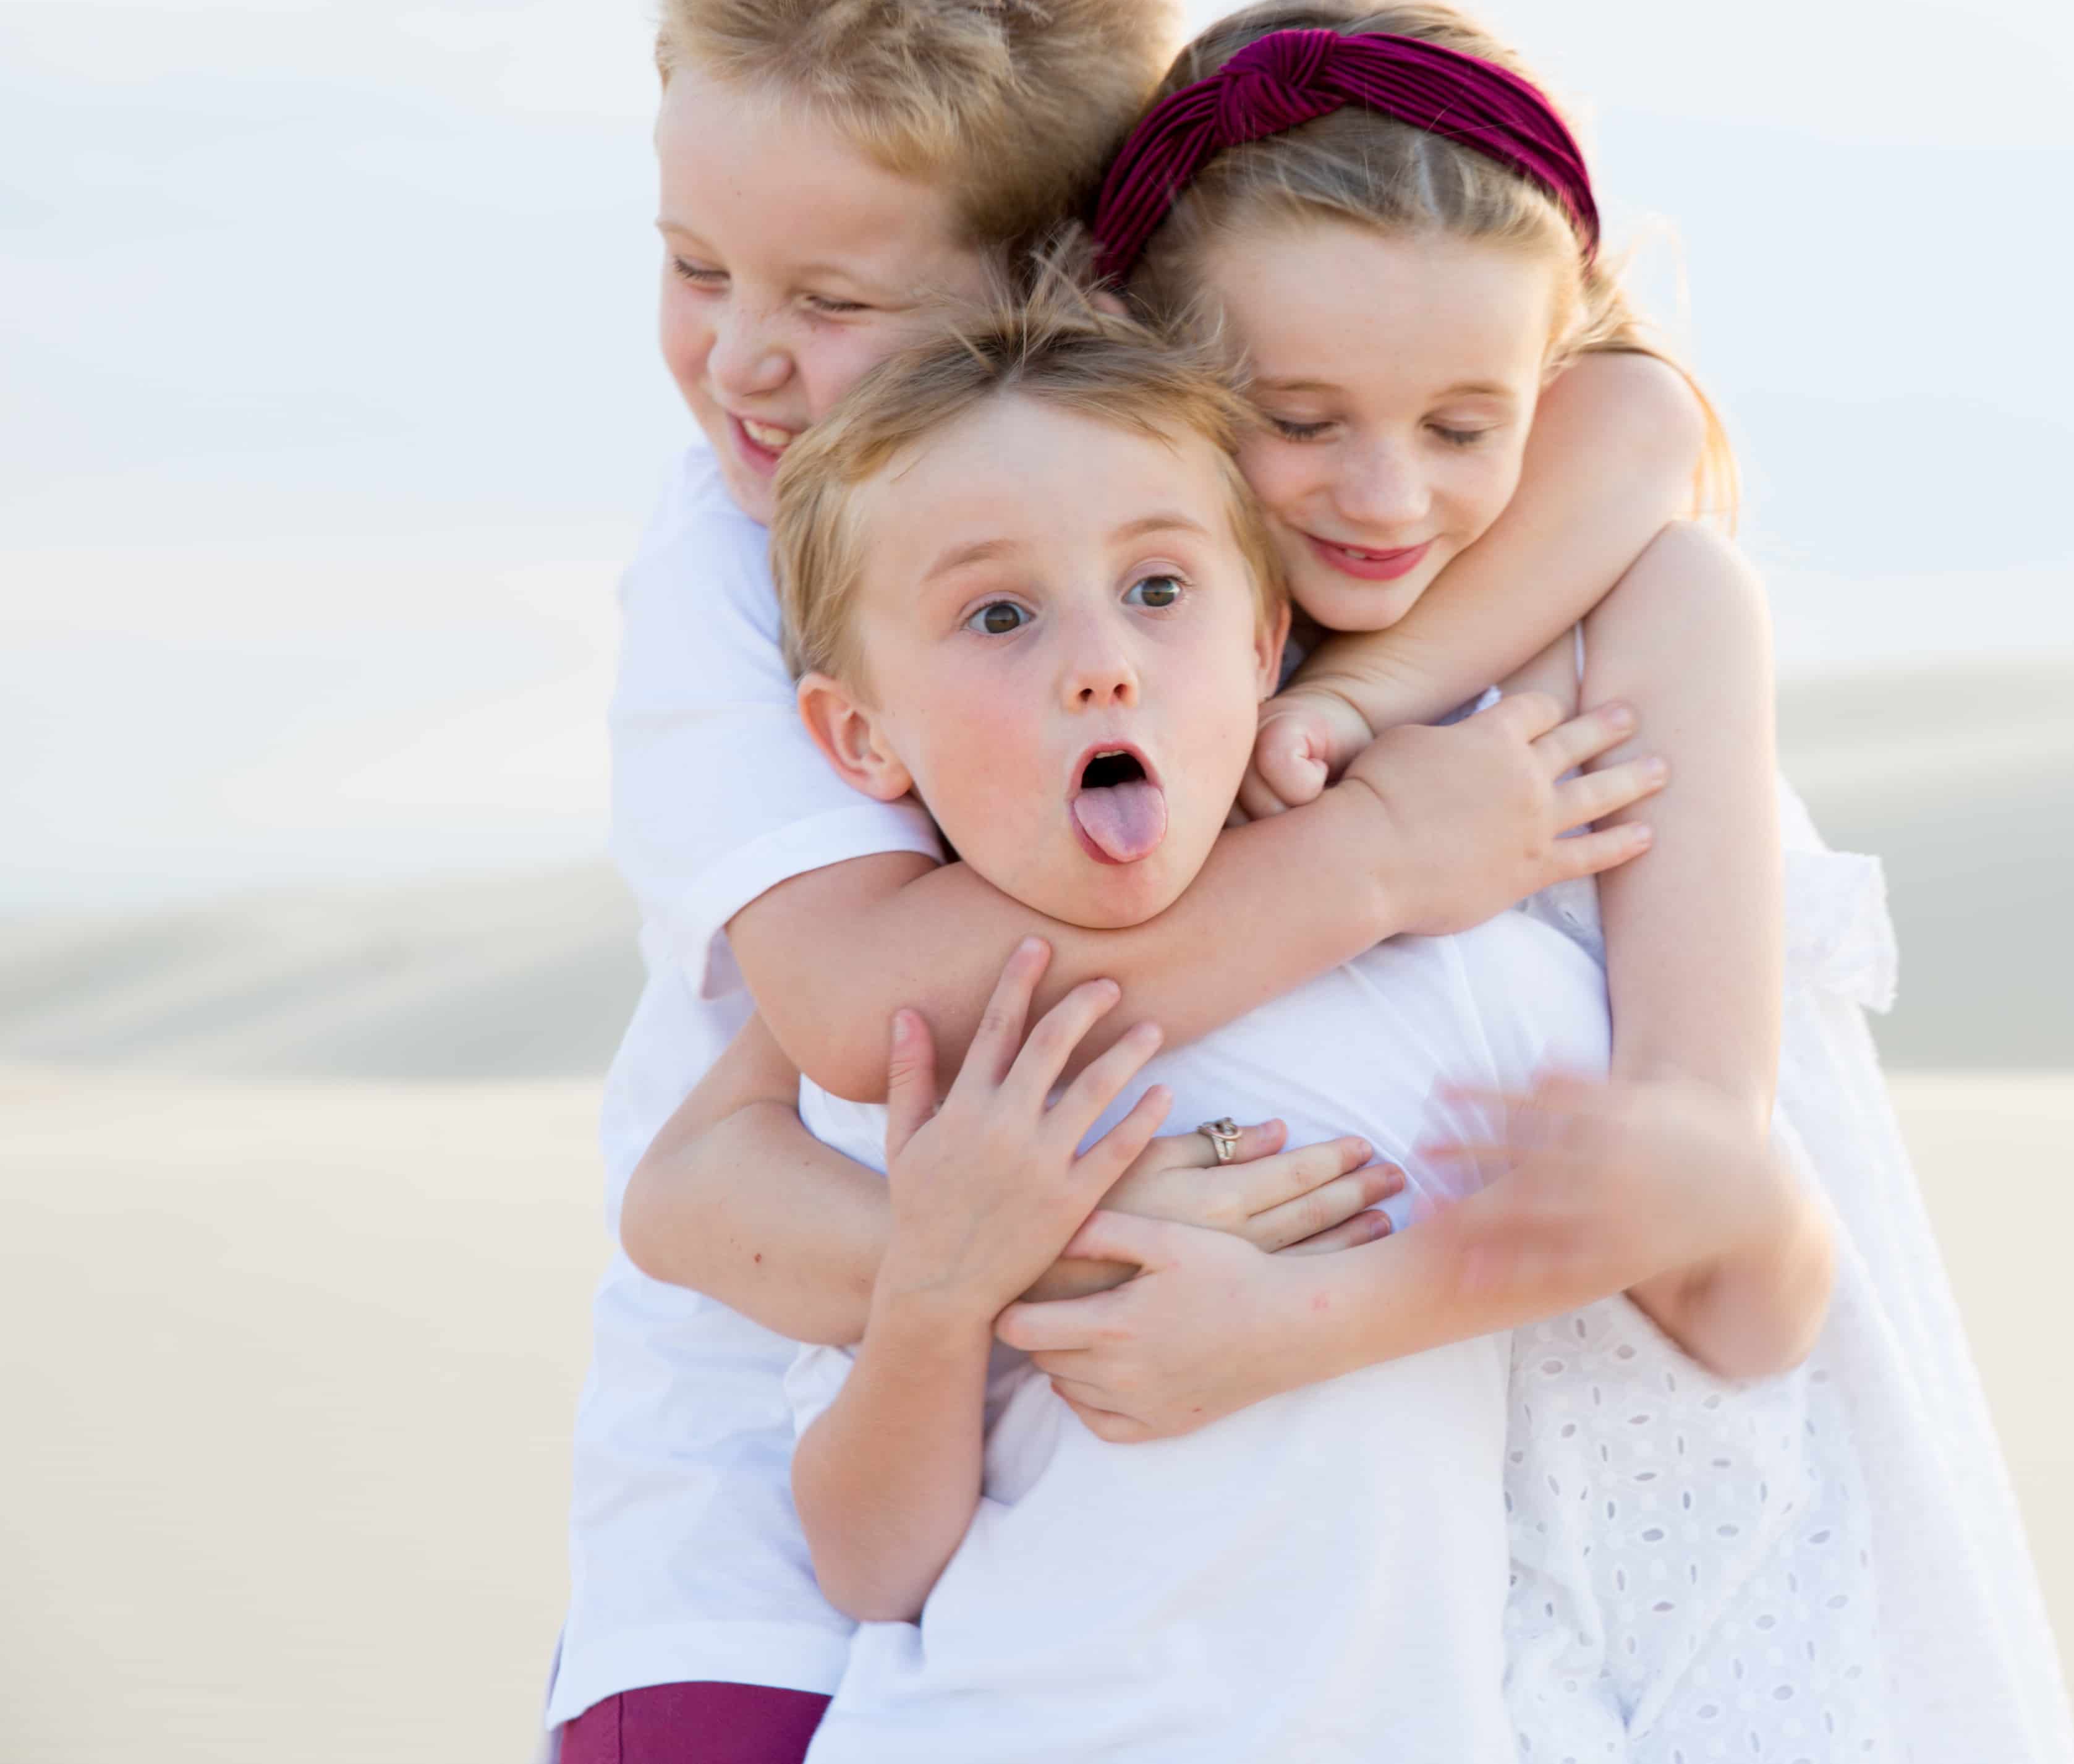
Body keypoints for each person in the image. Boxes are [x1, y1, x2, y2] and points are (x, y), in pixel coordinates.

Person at [652, 0, 2074, 1758]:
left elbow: (1718, 1195)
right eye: (1299, 418)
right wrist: (1025, 1262)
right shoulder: (1081, 677)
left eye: (1464, 430)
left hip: (1642, 1557)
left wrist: (1368, 717)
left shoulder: (1621, 618)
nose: (1386, 496)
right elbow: (743, 1137)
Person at [553, 0, 1675, 1763]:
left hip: (1087, 1546)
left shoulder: (1152, 511)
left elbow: (1631, 414)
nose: (743, 358)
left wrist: (1375, 697)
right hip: (748, 1520)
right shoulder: (731, 561)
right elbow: (849, 1008)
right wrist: (1376, 856)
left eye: (833, 299)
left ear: (1071, 292)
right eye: (693, 266)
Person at [691, 299, 1803, 1757]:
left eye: (1158, 589)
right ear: (861, 737)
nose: (1101, 661)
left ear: (1264, 640)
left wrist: (1307, 1322)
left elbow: (1749, 1306)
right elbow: (870, 1569)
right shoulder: (935, 1046)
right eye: (999, 616)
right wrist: (935, 1295)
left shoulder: (1441, 964)